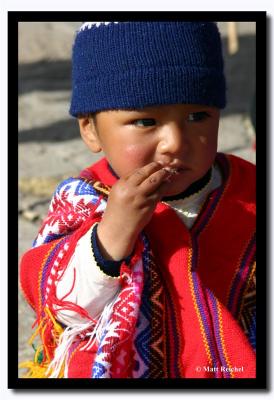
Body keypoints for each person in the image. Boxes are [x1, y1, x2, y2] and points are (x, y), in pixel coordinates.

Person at [19, 21, 256, 379]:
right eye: (145, 121)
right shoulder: (84, 200)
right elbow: (60, 308)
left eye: (198, 116)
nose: (175, 142)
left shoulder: (250, 190)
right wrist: (111, 237)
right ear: (90, 130)